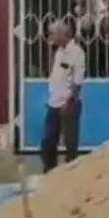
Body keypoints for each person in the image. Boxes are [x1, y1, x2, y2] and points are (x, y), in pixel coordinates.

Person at [41, 19, 86, 173]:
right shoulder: (59, 52)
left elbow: (78, 81)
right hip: (54, 103)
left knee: (70, 145)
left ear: (62, 34)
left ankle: (70, 176)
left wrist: (70, 101)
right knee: (48, 142)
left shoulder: (77, 53)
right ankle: (50, 173)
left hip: (69, 104)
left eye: (53, 34)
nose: (51, 37)